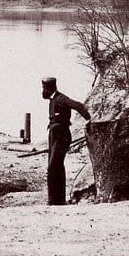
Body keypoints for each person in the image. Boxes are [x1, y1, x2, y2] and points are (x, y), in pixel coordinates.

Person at [41, 76, 91, 206]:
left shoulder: (61, 99)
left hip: (61, 136)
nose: (42, 91)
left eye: (44, 88)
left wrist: (88, 118)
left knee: (53, 167)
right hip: (54, 135)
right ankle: (57, 199)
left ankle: (55, 200)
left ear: (48, 88)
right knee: (56, 166)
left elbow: (78, 105)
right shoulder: (52, 100)